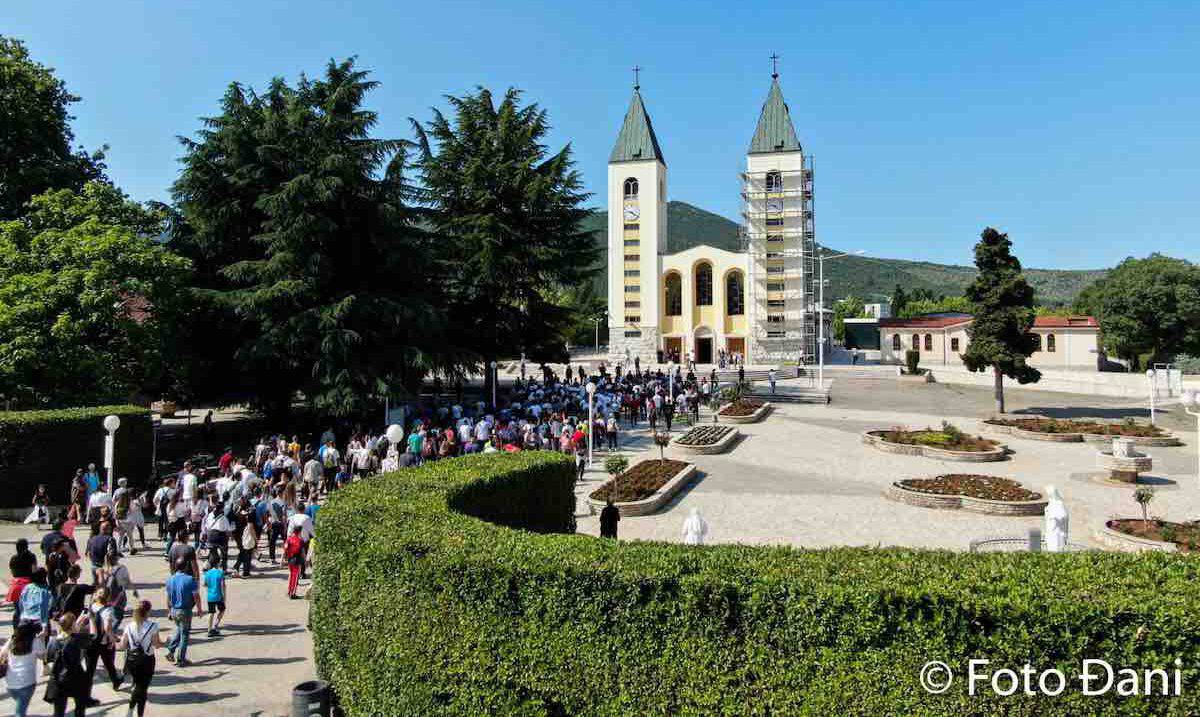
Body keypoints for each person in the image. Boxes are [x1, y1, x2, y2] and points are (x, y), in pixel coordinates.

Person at [115, 599, 161, 717]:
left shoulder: (129, 626)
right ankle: (134, 711)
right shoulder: (153, 626)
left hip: (132, 660)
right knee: (142, 688)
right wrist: (166, 641)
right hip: (147, 660)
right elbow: (156, 644)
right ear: (148, 612)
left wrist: (114, 641)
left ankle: (132, 711)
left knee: (138, 685)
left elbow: (123, 645)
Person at [44, 611, 91, 717]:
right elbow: (94, 636)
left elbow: (49, 661)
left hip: (58, 680)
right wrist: (89, 620)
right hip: (76, 677)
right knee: (80, 707)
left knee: (59, 711)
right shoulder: (77, 639)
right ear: (73, 626)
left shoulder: (52, 641)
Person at [84, 586, 123, 699]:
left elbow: (87, 621)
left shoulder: (91, 606)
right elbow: (107, 628)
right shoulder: (108, 610)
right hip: (103, 642)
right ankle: (116, 681)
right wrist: (113, 639)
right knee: (109, 663)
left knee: (90, 670)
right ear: (108, 597)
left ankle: (86, 695)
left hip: (90, 641)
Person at [164, 560, 202, 667]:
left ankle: (170, 651)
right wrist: (199, 609)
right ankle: (181, 659)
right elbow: (196, 596)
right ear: (186, 567)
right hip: (185, 610)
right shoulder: (190, 580)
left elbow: (168, 598)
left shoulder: (170, 580)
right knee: (184, 634)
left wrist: (169, 611)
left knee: (179, 630)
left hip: (174, 610)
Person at [1, 622, 43, 717]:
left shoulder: (12, 641)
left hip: (10, 683)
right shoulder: (35, 641)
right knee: (20, 712)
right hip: (27, 683)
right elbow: (43, 656)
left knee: (20, 705)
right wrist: (41, 639)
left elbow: (2, 654)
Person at [201, 555, 226, 637]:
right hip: (218, 596)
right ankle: (215, 625)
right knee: (222, 610)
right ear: (218, 563)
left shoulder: (207, 573)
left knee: (211, 613)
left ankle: (209, 629)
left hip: (210, 596)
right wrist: (224, 596)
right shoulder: (220, 572)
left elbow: (204, 584)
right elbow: (223, 586)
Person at [284, 525, 305, 599]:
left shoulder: (289, 539)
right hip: (297, 560)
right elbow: (302, 552)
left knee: (291, 575)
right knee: (295, 577)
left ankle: (289, 591)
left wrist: (284, 559)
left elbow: (285, 549)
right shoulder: (300, 540)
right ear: (299, 531)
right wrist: (304, 560)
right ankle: (293, 593)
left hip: (290, 559)